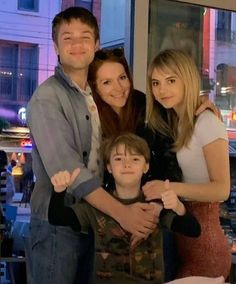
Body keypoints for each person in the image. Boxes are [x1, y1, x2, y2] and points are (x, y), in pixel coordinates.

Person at [26, 7, 156, 284]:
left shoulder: (92, 96)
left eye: (85, 37)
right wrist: (123, 214)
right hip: (58, 228)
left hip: (95, 223)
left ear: (96, 44)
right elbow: (71, 171)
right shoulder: (47, 97)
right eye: (67, 38)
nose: (77, 45)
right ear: (56, 46)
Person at [50, 133, 201, 284]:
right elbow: (57, 217)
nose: (126, 164)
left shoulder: (154, 206)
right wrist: (59, 191)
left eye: (135, 159)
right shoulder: (99, 205)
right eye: (118, 159)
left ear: (146, 166)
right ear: (108, 166)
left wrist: (178, 206)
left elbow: (193, 230)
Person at [143, 49, 231, 278]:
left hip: (205, 244)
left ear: (187, 80)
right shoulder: (177, 121)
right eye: (156, 83)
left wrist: (170, 188)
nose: (162, 90)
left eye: (171, 80)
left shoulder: (207, 122)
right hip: (184, 237)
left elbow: (221, 188)